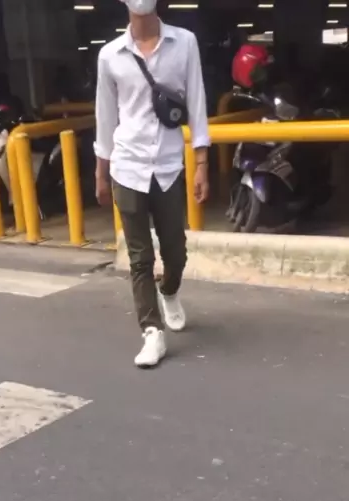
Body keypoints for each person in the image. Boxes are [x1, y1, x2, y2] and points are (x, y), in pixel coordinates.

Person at [94, 0, 210, 368]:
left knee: (176, 251)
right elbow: (105, 117)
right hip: (127, 166)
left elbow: (197, 102)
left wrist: (202, 163)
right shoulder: (110, 55)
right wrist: (100, 172)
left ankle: (169, 291)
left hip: (168, 166)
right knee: (140, 256)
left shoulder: (184, 42)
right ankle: (151, 331)